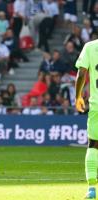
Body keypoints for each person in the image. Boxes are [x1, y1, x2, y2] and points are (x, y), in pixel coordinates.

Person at [75, 40, 98, 199]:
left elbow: (82, 73)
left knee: (93, 144)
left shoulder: (90, 47)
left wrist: (77, 96)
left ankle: (91, 189)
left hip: (97, 106)